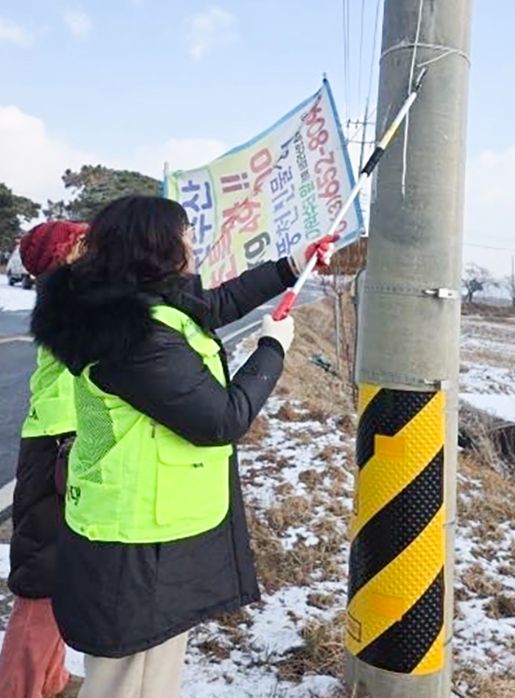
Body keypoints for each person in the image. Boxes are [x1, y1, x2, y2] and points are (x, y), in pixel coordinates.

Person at [30, 195, 337, 698]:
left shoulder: (122, 305)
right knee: (134, 682)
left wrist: (290, 265)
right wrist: (272, 349)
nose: (193, 247)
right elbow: (221, 419)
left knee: (136, 674)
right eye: (186, 237)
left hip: (138, 525)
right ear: (155, 247)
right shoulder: (134, 337)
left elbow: (213, 306)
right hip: (136, 543)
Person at [0, 221, 89, 698]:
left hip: (60, 441)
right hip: (57, 444)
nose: (95, 249)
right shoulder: (72, 300)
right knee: (42, 580)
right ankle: (17, 689)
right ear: (63, 257)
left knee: (60, 574)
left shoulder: (70, 296)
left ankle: (51, 679)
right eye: (83, 243)